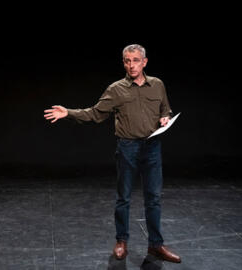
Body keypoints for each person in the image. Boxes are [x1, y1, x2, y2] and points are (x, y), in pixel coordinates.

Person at [43, 44, 181, 263]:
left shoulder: (157, 85)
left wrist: (165, 116)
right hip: (127, 147)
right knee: (123, 198)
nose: (131, 65)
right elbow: (95, 114)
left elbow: (166, 109)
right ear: (123, 63)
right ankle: (121, 242)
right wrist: (68, 112)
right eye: (127, 60)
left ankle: (156, 245)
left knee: (153, 198)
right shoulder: (116, 89)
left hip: (152, 147)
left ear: (144, 62)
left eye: (136, 60)